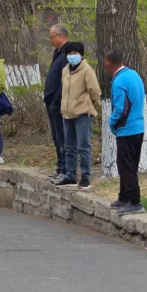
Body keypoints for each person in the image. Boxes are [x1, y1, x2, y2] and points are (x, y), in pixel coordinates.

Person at [105, 48, 146, 216]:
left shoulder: (119, 81)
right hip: (138, 127)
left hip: (126, 129)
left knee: (126, 167)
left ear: (108, 64)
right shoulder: (134, 75)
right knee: (129, 165)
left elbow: (120, 109)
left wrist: (112, 123)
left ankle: (135, 201)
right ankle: (124, 197)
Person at [55, 42, 101, 191]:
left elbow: (95, 91)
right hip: (67, 114)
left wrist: (93, 107)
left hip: (82, 113)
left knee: (83, 147)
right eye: (69, 54)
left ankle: (86, 176)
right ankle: (70, 175)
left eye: (75, 53)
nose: (72, 56)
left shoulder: (87, 70)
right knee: (69, 147)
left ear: (81, 55)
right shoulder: (65, 70)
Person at [44, 24, 69, 183]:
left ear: (60, 36)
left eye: (52, 37)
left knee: (62, 137)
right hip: (51, 101)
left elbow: (65, 80)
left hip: (58, 102)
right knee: (56, 137)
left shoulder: (67, 53)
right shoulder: (57, 52)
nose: (50, 40)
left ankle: (65, 169)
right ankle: (60, 167)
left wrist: (56, 100)